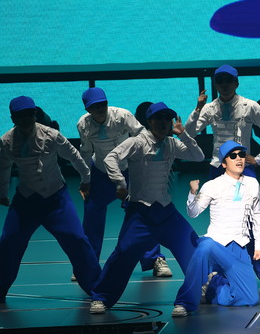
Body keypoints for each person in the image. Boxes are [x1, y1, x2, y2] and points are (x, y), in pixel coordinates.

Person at [89, 102, 205, 313]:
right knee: (122, 254)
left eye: (167, 119)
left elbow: (198, 156)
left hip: (166, 212)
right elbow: (110, 158)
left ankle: (204, 287)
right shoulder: (136, 142)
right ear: (149, 122)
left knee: (193, 247)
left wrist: (184, 135)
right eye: (158, 118)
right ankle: (101, 297)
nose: (164, 122)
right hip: (140, 213)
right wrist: (120, 183)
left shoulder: (172, 143)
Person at [185, 65, 260, 290]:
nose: (225, 85)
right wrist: (197, 109)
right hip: (217, 171)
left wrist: (259, 158)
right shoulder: (209, 108)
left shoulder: (250, 106)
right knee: (220, 224)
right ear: (216, 85)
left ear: (236, 83)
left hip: (242, 171)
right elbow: (189, 133)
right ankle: (222, 274)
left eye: (229, 81)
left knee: (251, 219)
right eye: (220, 81)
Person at [0, 96, 101, 302]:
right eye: (21, 115)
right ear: (13, 118)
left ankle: (97, 288)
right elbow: (4, 168)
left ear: (35, 115)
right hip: (26, 201)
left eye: (30, 114)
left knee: (77, 239)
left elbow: (74, 156)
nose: (27, 118)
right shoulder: (7, 141)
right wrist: (2, 193)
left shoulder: (51, 135)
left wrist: (86, 179)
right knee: (9, 242)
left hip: (56, 198)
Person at [77, 88, 172, 278]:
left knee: (145, 211)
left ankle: (154, 259)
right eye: (95, 106)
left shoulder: (122, 116)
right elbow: (86, 152)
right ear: (88, 109)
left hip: (129, 170)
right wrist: (85, 180)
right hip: (102, 172)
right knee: (92, 215)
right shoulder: (83, 124)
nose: (100, 108)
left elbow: (143, 135)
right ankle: (88, 263)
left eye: (103, 104)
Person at [172, 140, 260, 316]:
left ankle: (212, 286)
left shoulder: (253, 183)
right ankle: (184, 302)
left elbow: (257, 216)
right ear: (224, 163)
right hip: (216, 244)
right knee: (204, 247)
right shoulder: (213, 185)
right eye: (233, 156)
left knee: (249, 299)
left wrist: (259, 245)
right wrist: (192, 194)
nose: (239, 159)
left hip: (239, 248)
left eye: (241, 155)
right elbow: (194, 213)